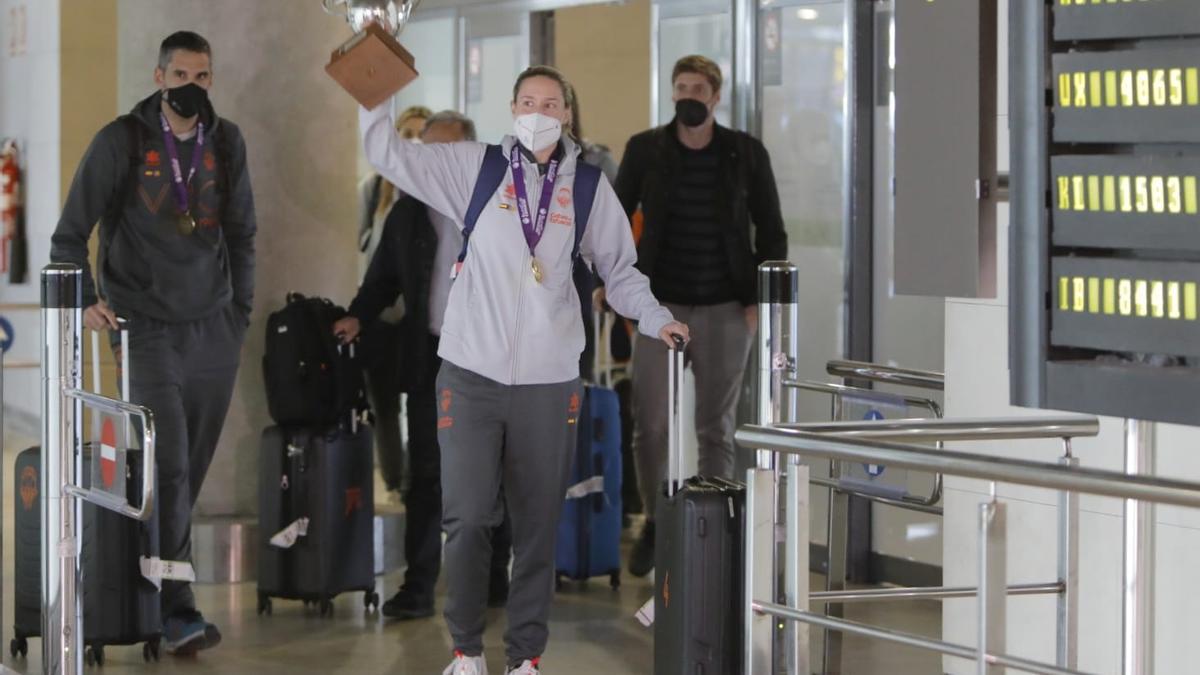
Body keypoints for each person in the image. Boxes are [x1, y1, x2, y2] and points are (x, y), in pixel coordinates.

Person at [359, 66, 689, 675]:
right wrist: (374, 95)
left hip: (547, 381)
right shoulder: (474, 168)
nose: (539, 111)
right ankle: (465, 652)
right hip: (469, 374)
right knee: (467, 517)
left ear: (567, 113)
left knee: (536, 525)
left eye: (551, 103)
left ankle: (526, 658)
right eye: (528, 101)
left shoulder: (586, 187)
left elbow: (619, 271)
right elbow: (388, 154)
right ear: (512, 107)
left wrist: (655, 317)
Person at [50, 31, 255, 655]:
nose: (193, 87)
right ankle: (177, 609)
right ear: (160, 77)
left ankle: (153, 586)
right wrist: (87, 297)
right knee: (164, 464)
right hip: (145, 328)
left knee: (187, 469)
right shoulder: (123, 141)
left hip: (213, 328)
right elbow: (68, 236)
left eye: (204, 76)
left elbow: (243, 234)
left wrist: (238, 313)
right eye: (182, 75)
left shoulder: (226, 142)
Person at [333, 110, 512, 621]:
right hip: (432, 358)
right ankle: (419, 584)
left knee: (490, 473)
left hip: (492, 359)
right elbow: (381, 281)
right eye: (427, 151)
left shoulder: (502, 207)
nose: (435, 163)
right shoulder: (408, 213)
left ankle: (492, 575)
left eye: (447, 151)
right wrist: (356, 317)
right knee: (427, 474)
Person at [612, 55, 787, 578]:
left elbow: (771, 229)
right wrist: (620, 291)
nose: (689, 94)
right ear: (672, 94)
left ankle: (717, 524)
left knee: (717, 426)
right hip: (658, 306)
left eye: (699, 87)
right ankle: (656, 518)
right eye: (681, 86)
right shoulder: (645, 150)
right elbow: (617, 220)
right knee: (651, 425)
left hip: (725, 307)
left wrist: (759, 300)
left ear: (716, 96)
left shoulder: (744, 153)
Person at [356, 104, 433, 498]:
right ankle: (394, 481)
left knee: (424, 407)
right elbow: (363, 252)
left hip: (421, 321)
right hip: (383, 320)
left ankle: (421, 481)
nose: (414, 141)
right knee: (384, 407)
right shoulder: (373, 191)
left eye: (423, 133)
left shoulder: (439, 193)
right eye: (407, 134)